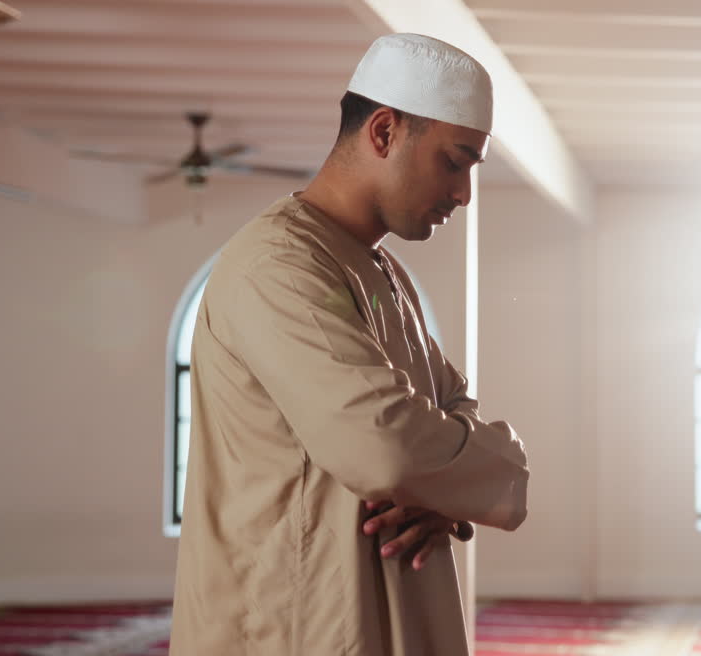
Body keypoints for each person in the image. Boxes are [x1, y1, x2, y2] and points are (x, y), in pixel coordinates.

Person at [168, 33, 530, 656]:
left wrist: (439, 490)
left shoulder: (383, 274)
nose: (464, 194)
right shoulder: (279, 265)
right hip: (293, 628)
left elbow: (451, 407)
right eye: (455, 162)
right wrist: (472, 472)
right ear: (384, 132)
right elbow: (385, 446)